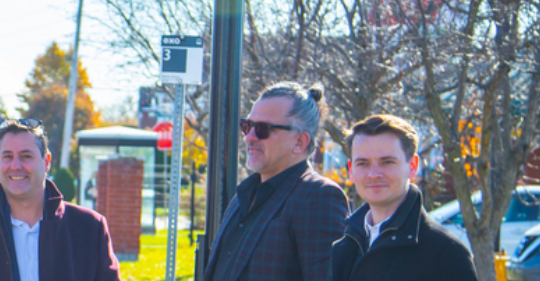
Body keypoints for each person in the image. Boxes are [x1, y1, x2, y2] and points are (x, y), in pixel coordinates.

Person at [0, 118, 121, 281]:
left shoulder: (89, 228)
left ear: (47, 161)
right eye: (7, 156)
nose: (15, 166)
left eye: (26, 156)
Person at [203, 82, 349, 281]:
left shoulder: (318, 197)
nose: (249, 138)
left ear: (300, 142)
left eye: (263, 129)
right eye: (247, 126)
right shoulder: (245, 195)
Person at [331, 114, 478, 281]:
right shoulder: (343, 249)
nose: (373, 174)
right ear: (351, 170)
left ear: (413, 166)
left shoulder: (446, 253)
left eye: (387, 162)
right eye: (363, 163)